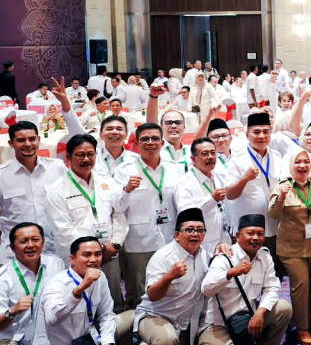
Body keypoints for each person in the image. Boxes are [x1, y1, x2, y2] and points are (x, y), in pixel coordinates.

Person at [29, 235, 133, 345]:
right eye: (87, 255)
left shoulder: (100, 278)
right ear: (72, 259)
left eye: (98, 254)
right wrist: (80, 289)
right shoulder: (56, 285)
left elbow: (107, 315)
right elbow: (52, 318)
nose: (93, 259)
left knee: (132, 316)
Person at [134, 208, 220, 345]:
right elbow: (153, 295)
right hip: (156, 316)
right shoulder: (163, 257)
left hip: (186, 323)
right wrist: (169, 277)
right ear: (176, 234)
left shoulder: (205, 255)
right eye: (189, 229)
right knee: (165, 341)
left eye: (200, 230)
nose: (195, 234)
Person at [198, 214, 293, 345]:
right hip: (218, 323)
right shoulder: (224, 258)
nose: (255, 238)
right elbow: (206, 288)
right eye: (250, 233)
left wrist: (260, 313)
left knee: (283, 307)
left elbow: (273, 287)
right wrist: (230, 273)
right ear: (237, 235)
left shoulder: (264, 255)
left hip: (248, 316)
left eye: (260, 233)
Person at [46, 134, 128, 313]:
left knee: (114, 302)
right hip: (80, 260)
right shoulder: (57, 190)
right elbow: (64, 231)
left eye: (90, 154)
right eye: (80, 155)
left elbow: (119, 214)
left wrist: (115, 244)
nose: (86, 159)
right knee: (82, 306)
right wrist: (99, 251)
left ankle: (116, 340)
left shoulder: (106, 182)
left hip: (110, 256)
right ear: (68, 157)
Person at [269, 148, 311, 345]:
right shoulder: (283, 187)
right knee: (301, 285)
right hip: (292, 248)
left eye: (306, 161)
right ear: (291, 166)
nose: (302, 165)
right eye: (298, 162)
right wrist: (280, 198)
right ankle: (302, 327)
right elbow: (273, 214)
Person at [115, 123, 182, 310]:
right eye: (144, 139)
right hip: (139, 242)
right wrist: (126, 190)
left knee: (171, 286)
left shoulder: (175, 168)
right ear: (136, 144)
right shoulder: (125, 170)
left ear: (162, 143)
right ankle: (138, 329)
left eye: (154, 139)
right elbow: (117, 206)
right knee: (139, 290)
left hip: (171, 239)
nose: (150, 143)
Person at [0, 223, 64, 345]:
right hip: (13, 338)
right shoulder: (4, 277)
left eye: (35, 240)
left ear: (43, 243)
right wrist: (12, 312)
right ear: (12, 248)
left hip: (48, 334)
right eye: (23, 241)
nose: (30, 245)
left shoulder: (56, 264)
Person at [0, 121, 66, 260]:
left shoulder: (56, 168)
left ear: (39, 140)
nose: (28, 144)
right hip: (15, 254)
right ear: (11, 143)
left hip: (54, 250)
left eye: (32, 139)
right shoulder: (2, 175)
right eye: (21, 140)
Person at [226, 113, 284, 259]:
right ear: (247, 134)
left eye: (266, 132)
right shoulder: (237, 160)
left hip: (275, 227)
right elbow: (230, 194)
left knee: (274, 271)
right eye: (256, 132)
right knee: (245, 271)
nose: (261, 136)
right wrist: (245, 178)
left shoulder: (277, 157)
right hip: (249, 231)